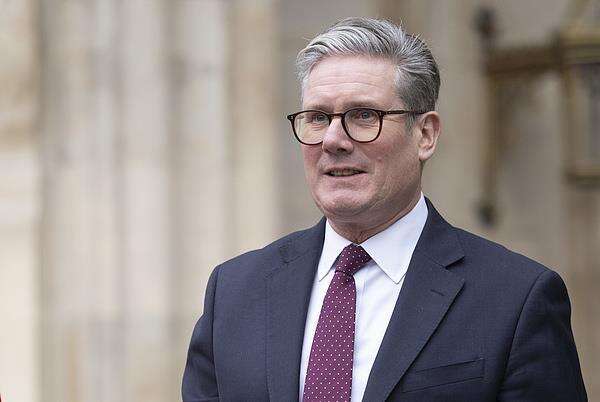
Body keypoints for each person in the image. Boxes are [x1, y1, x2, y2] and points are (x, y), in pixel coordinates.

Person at [182, 17, 587, 401]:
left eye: (363, 115)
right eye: (318, 117)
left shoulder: (516, 298)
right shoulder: (235, 291)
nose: (333, 140)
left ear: (425, 135)